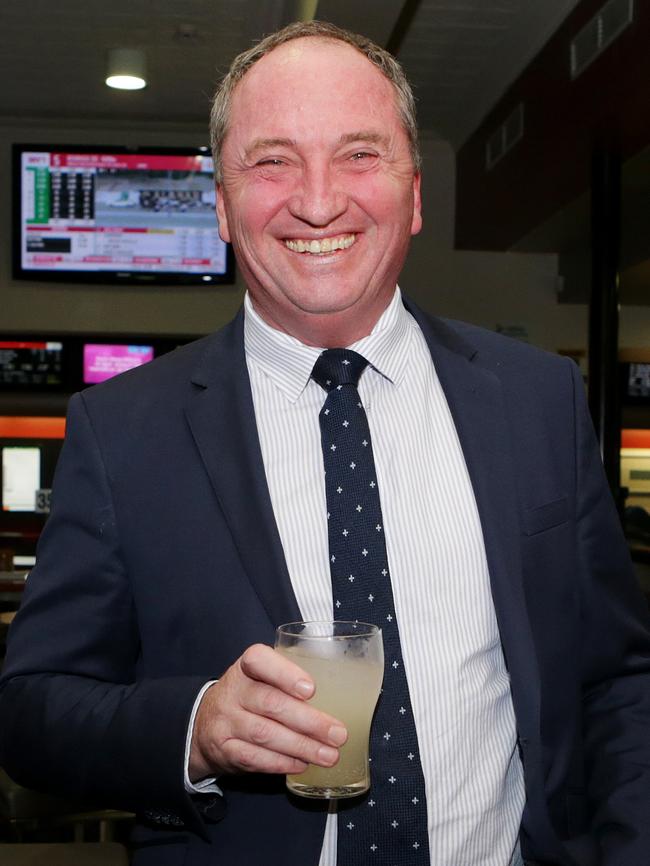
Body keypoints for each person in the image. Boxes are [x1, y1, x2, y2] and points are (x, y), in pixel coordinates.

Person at [1, 20, 650, 866]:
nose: (317, 199)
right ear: (224, 205)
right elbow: (32, 709)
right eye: (272, 161)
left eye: (359, 154)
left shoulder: (538, 399)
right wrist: (195, 730)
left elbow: (615, 682)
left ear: (415, 194)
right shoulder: (121, 432)